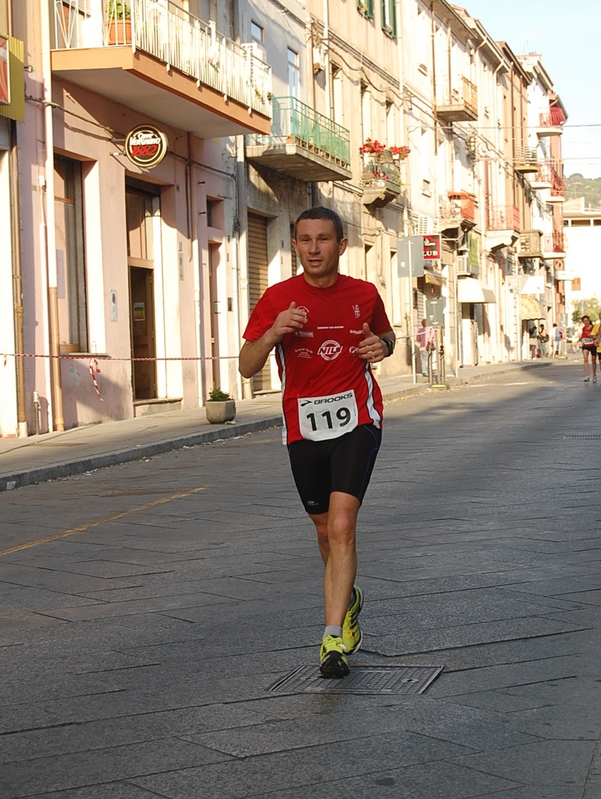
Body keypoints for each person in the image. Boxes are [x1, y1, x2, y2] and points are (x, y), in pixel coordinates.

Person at [239, 206, 395, 678]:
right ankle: (347, 598)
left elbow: (385, 336)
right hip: (302, 428)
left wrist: (382, 348)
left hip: (357, 421)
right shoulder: (278, 297)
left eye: (323, 239)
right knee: (325, 530)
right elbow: (246, 366)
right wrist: (272, 332)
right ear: (295, 244)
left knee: (343, 524)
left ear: (341, 245)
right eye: (304, 239)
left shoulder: (364, 294)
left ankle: (332, 639)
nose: (312, 248)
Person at [578, 315, 597, 382]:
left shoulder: (593, 327)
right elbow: (582, 336)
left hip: (593, 345)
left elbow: (596, 336)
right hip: (585, 345)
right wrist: (580, 338)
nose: (586, 322)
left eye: (587, 320)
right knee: (585, 359)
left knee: (593, 361)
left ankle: (594, 375)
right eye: (584, 321)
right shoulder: (583, 328)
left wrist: (591, 336)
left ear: (589, 320)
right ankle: (587, 376)